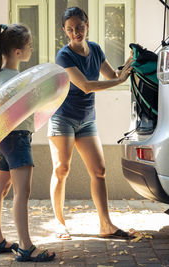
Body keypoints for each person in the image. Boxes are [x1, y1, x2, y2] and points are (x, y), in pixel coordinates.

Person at [48, 7, 134, 240]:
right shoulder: (64, 55)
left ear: (87, 25)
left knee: (99, 171)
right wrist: (119, 81)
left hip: (86, 120)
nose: (75, 32)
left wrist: (130, 63)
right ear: (65, 31)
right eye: (70, 29)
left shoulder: (95, 49)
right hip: (63, 117)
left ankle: (106, 225)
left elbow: (112, 76)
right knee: (61, 169)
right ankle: (59, 223)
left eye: (79, 27)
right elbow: (86, 85)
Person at [0, 23, 55, 262]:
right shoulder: (15, 78)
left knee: (0, 189)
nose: (32, 48)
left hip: (5, 138)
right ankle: (25, 246)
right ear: (17, 52)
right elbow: (9, 108)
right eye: (29, 45)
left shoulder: (1, 76)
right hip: (17, 137)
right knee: (22, 192)